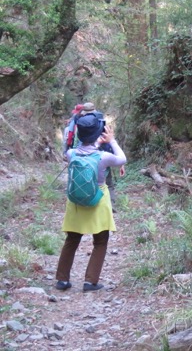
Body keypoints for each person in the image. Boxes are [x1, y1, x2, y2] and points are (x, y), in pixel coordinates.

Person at [55, 113, 127, 292]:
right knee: (101, 240)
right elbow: (122, 159)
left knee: (72, 239)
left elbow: (79, 150)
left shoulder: (71, 154)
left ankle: (62, 280)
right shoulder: (103, 157)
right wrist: (111, 140)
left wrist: (93, 141)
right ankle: (90, 281)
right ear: (98, 134)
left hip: (76, 202)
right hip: (98, 199)